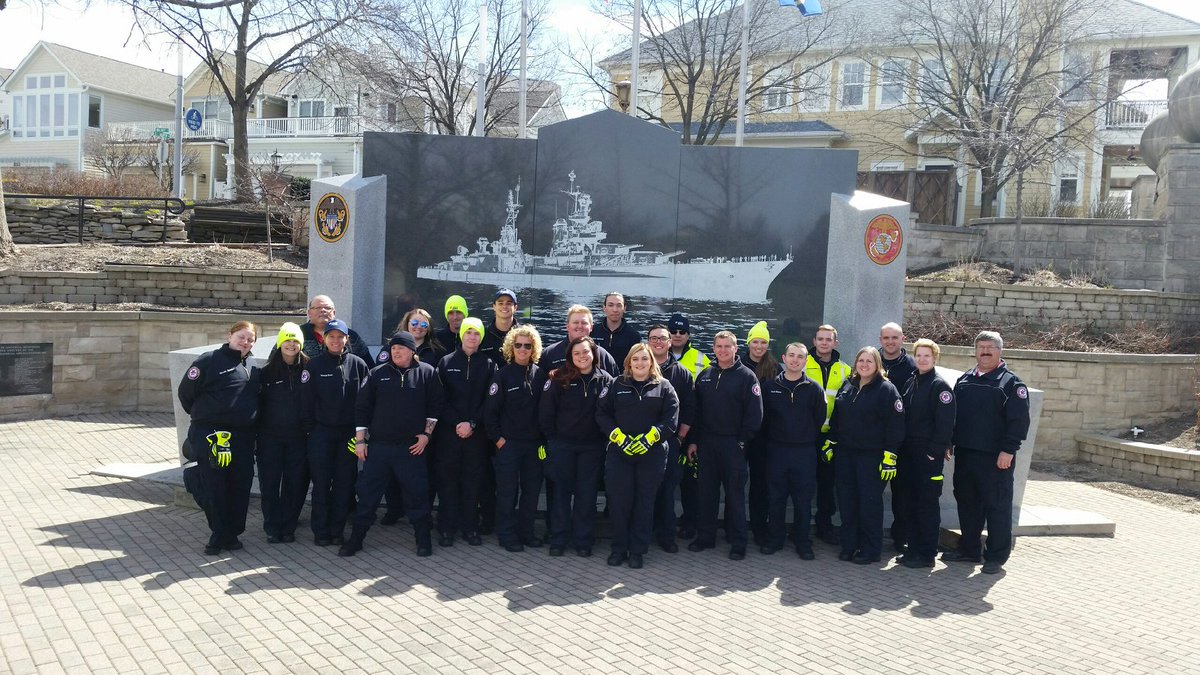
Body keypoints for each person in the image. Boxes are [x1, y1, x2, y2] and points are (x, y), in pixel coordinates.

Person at [339, 332, 444, 557]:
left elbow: (435, 406)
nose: (396, 352)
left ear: (412, 351)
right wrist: (360, 441)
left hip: (411, 448)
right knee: (368, 496)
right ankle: (356, 540)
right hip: (379, 448)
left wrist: (427, 435)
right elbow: (362, 409)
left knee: (417, 495)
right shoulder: (377, 374)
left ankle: (423, 540)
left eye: (401, 348)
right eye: (393, 348)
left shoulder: (427, 373)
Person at [944, 331, 1030, 574]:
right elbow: (954, 416)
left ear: (1000, 351)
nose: (985, 351)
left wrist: (1008, 450)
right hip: (966, 454)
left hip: (996, 458)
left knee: (997, 507)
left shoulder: (1011, 384)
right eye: (981, 347)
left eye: (990, 347)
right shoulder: (964, 380)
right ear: (975, 351)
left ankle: (996, 556)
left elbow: (1019, 421)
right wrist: (949, 441)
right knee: (968, 504)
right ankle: (969, 549)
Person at [178, 320, 261, 555]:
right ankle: (218, 534)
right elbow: (186, 394)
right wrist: (207, 417)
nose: (245, 342)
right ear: (230, 336)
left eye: (250, 339)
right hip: (213, 434)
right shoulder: (209, 360)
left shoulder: (252, 364)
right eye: (241, 337)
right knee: (215, 484)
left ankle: (232, 533)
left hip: (243, 437)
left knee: (240, 484)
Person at [597, 344, 680, 568]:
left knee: (644, 503)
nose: (640, 363)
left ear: (651, 361)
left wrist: (650, 438)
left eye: (644, 358)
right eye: (635, 359)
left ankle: (637, 551)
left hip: (651, 455)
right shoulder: (616, 384)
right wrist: (618, 436)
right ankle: (619, 548)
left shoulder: (664, 386)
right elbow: (602, 414)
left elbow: (671, 419)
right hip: (620, 453)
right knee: (619, 502)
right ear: (629, 362)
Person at [686, 331, 763, 560]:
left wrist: (741, 442)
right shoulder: (705, 375)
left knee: (735, 496)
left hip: (733, 444)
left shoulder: (747, 377)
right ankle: (705, 537)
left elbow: (755, 416)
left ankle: (738, 543)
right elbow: (697, 413)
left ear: (736, 348)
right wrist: (694, 441)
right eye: (719, 346)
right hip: (707, 444)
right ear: (713, 348)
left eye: (727, 346)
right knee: (706, 493)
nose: (723, 350)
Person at [828, 346, 905, 565]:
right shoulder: (848, 385)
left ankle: (871, 549)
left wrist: (890, 455)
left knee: (869, 504)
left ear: (877, 365)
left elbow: (896, 425)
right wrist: (831, 440)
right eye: (861, 360)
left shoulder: (886, 389)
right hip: (845, 454)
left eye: (869, 361)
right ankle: (849, 545)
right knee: (847, 501)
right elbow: (837, 417)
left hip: (871, 457)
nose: (864, 365)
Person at [538, 336, 614, 557]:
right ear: (570, 356)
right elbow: (546, 414)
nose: (582, 356)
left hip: (592, 448)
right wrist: (553, 440)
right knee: (560, 494)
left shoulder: (606, 380)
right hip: (563, 446)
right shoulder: (558, 378)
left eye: (586, 352)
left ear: (594, 354)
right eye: (577, 353)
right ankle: (558, 539)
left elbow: (611, 413)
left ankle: (583, 540)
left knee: (587, 496)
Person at [300, 318, 369, 547]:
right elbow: (306, 402)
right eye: (332, 336)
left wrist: (361, 435)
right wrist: (311, 431)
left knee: (344, 485)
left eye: (340, 337)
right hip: (321, 435)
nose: (336, 340)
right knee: (321, 485)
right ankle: (321, 531)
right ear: (325, 339)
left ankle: (337, 530)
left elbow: (366, 402)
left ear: (347, 339)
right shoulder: (314, 366)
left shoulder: (358, 364)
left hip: (348, 436)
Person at [485, 325, 548, 552]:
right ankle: (507, 534)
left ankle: (526, 532)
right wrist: (498, 439)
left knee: (531, 491)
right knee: (507, 492)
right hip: (509, 445)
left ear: (534, 348)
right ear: (511, 347)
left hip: (535, 446)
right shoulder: (502, 375)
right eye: (518, 345)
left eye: (527, 346)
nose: (522, 349)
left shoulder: (541, 375)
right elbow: (490, 413)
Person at [760, 342, 826, 559]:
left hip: (804, 452)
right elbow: (764, 419)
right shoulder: (770, 387)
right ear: (784, 358)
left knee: (803, 500)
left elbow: (818, 418)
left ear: (806, 361)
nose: (795, 360)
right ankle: (775, 538)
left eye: (800, 357)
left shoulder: (814, 388)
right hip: (777, 451)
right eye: (791, 355)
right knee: (775, 498)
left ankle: (802, 541)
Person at [434, 317, 497, 546]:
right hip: (449, 434)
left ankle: (470, 527)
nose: (472, 336)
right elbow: (439, 399)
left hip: (476, 435)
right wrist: (457, 423)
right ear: (462, 335)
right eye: (468, 332)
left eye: (476, 333)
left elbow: (490, 400)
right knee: (448, 482)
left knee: (473, 483)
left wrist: (472, 423)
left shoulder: (489, 365)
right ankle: (446, 528)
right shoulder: (446, 362)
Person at [896, 339, 956, 569]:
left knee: (927, 506)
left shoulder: (939, 386)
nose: (922, 359)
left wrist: (934, 452)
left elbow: (945, 423)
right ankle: (913, 549)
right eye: (919, 355)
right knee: (909, 503)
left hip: (927, 456)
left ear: (935, 358)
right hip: (909, 453)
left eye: (927, 356)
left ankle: (927, 554)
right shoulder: (912, 381)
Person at [256, 322, 309, 544]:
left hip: (299, 438)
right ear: (280, 343)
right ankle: (272, 526)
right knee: (269, 484)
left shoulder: (309, 369)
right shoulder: (265, 372)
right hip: (270, 439)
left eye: (295, 340)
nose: (291, 344)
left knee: (294, 484)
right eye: (287, 340)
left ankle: (288, 526)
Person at [647, 324, 696, 553]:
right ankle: (643, 533)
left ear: (670, 343)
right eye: (653, 338)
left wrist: (680, 438)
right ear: (648, 342)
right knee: (644, 490)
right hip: (642, 443)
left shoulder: (681, 373)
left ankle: (666, 536)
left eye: (662, 338)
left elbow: (690, 408)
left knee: (667, 491)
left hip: (670, 443)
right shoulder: (639, 367)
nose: (658, 342)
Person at [805, 324, 853, 545]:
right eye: (820, 339)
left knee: (827, 484)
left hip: (831, 437)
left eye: (828, 339)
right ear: (814, 341)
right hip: (805, 435)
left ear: (835, 343)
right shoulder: (802, 363)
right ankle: (801, 526)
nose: (824, 343)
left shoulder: (846, 370)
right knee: (803, 483)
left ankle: (824, 526)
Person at [741, 320, 780, 547]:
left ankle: (759, 528)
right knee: (736, 482)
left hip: (764, 436)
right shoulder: (738, 364)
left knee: (760, 484)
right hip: (740, 433)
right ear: (748, 343)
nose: (759, 346)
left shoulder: (775, 369)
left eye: (763, 342)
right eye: (755, 341)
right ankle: (734, 526)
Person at [541, 304, 621, 376]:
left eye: (584, 323)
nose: (580, 326)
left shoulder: (603, 356)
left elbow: (614, 384)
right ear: (567, 326)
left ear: (591, 327)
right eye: (575, 322)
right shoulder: (550, 354)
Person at [300, 294, 372, 363]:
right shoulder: (299, 333)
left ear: (334, 313)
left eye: (327, 308)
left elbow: (368, 365)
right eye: (318, 308)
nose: (323, 310)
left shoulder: (351, 335)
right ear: (309, 313)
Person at [375, 308, 447, 367]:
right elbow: (380, 371)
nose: (419, 327)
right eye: (414, 323)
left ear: (429, 327)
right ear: (407, 324)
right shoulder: (391, 347)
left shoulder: (437, 351)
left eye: (424, 324)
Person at [591, 292, 641, 365]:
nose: (615, 309)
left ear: (624, 308)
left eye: (619, 305)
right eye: (610, 305)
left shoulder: (633, 336)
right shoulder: (592, 332)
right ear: (604, 308)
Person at [479, 289, 521, 365]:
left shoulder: (524, 335)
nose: (504, 306)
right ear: (494, 307)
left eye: (508, 303)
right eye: (500, 303)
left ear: (515, 307)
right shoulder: (482, 335)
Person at [879, 322, 917, 393]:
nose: (890, 342)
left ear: (903, 339)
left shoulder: (913, 367)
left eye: (894, 338)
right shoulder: (870, 362)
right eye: (886, 338)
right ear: (880, 340)